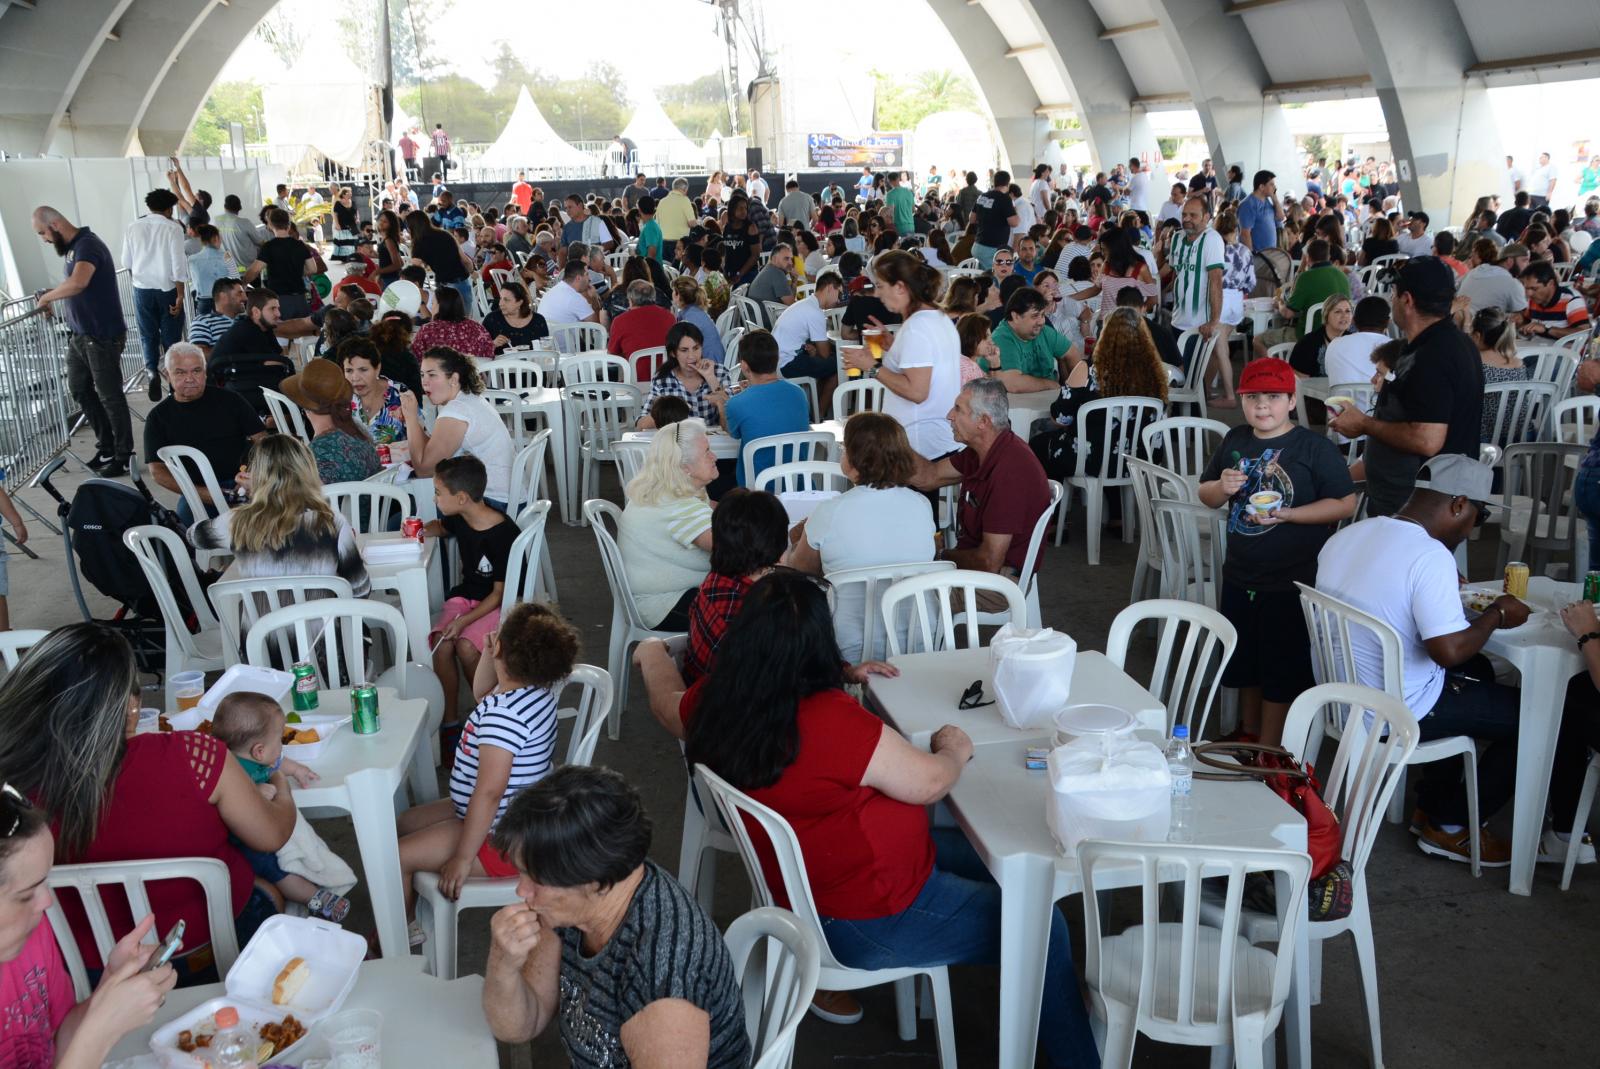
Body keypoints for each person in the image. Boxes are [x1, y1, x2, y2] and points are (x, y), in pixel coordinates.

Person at [635, 572, 1099, 1067]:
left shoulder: (716, 699)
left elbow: (665, 704)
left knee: (1015, 863)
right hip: (869, 915)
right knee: (1044, 925)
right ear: (819, 643)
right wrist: (954, 749)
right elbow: (930, 783)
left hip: (824, 887)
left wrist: (651, 654)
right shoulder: (828, 719)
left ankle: (1043, 1006)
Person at [1316, 455, 1588, 865]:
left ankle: (1432, 804)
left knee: (1477, 670)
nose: (1472, 531)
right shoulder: (1430, 556)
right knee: (1548, 718)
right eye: (1478, 518)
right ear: (1458, 504)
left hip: (1344, 694)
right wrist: (1497, 614)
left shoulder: (1353, 533)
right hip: (1399, 707)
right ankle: (1452, 825)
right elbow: (1448, 650)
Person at [0, 625, 295, 982]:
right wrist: (282, 782)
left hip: (78, 969)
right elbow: (272, 834)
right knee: (268, 890)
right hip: (205, 951)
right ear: (131, 704)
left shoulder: (12, 789)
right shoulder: (195, 756)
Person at [480, 763, 749, 1064]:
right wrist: (503, 964)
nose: (522, 891)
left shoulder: (663, 978)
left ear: (594, 883)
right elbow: (523, 1024)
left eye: (536, 879)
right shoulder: (572, 905)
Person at [1196, 358, 1356, 745]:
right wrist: (1223, 486)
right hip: (1240, 574)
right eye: (1253, 397)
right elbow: (1206, 494)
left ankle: (1269, 750)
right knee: (1246, 664)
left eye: (1272, 396)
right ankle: (1248, 734)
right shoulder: (1235, 441)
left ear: (1290, 400)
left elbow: (1345, 503)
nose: (1262, 406)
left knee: (1281, 670)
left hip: (1292, 581)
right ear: (1241, 400)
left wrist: (1292, 514)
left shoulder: (1312, 447)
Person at [401, 603, 576, 947]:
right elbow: (482, 691)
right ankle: (412, 897)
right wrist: (491, 655)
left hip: (500, 839)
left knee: (395, 856)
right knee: (406, 822)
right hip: (502, 816)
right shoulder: (530, 694)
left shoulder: (503, 717)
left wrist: (463, 858)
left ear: (504, 652)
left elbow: (489, 792)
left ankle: (401, 932)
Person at [0, 784, 181, 1066]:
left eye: (45, 882)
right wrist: (103, 1031)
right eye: (26, 894)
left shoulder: (32, 934)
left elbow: (60, 1037)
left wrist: (112, 984)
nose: (47, 901)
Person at [1327, 258, 1485, 517]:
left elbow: (1427, 439)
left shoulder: (1433, 355)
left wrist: (1364, 424)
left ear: (1407, 300)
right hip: (1417, 497)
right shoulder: (1448, 342)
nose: (1391, 301)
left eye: (1393, 294)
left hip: (1420, 505)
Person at [790, 413, 938, 661]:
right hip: (920, 637)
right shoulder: (921, 504)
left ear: (854, 458)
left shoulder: (830, 511)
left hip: (850, 644)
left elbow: (801, 570)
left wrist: (797, 539)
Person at [208, 693, 349, 922]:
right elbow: (235, 804)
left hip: (262, 830)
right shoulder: (236, 771)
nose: (282, 745)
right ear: (259, 751)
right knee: (278, 871)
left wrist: (297, 771)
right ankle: (316, 900)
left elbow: (279, 762)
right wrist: (256, 793)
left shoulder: (259, 755)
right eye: (279, 738)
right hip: (244, 843)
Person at [911, 379, 1050, 606]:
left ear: (983, 422)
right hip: (981, 571)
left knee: (907, 595)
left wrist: (941, 556)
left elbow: (989, 562)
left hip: (1001, 583)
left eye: (958, 409)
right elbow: (929, 476)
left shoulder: (1009, 471)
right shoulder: (981, 451)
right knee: (903, 577)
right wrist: (893, 445)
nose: (949, 416)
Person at [422, 455, 521, 749]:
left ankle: (484, 715)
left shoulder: (503, 533)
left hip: (495, 603)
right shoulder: (460, 517)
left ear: (461, 497)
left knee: (466, 645)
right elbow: (441, 527)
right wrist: (420, 529)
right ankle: (450, 723)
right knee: (441, 643)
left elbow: (499, 594)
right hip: (465, 596)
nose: (436, 498)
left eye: (439, 492)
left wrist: (463, 621)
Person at [191, 434, 370, 596]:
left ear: (257, 476)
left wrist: (248, 496)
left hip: (261, 631)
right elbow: (361, 590)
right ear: (308, 471)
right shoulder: (332, 522)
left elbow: (195, 537)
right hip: (322, 631)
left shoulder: (236, 521)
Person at [32, 206, 134, 475]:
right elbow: (74, 285)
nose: (43, 239)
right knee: (79, 388)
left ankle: (123, 454)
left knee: (110, 396)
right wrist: (51, 293)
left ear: (55, 224)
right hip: (81, 334)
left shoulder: (87, 245)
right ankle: (108, 445)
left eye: (42, 232)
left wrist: (47, 298)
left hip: (101, 335)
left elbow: (79, 283)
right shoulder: (74, 247)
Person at [1029, 307, 1168, 481]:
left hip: (1095, 460)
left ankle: (1054, 504)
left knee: (1039, 444)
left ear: (1104, 337)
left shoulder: (1087, 371)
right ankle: (1115, 502)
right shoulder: (1155, 375)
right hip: (1141, 461)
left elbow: (1060, 419)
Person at [143, 343, 267, 523]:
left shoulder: (231, 400)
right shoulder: (158, 417)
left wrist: (252, 476)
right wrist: (202, 493)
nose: (189, 378)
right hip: (196, 491)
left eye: (196, 370)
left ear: (205, 372)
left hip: (243, 482)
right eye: (180, 372)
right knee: (188, 536)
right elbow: (157, 472)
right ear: (167, 375)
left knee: (275, 523)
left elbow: (262, 441)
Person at [679, 488, 790, 684]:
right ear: (778, 548)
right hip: (734, 706)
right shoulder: (758, 611)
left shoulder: (715, 580)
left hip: (700, 694)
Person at [619, 419, 717, 630]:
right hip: (663, 605)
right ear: (685, 467)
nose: (714, 457)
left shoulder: (663, 487)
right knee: (756, 606)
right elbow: (736, 550)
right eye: (707, 452)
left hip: (648, 597)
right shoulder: (680, 507)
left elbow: (712, 507)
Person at [399, 347, 515, 509]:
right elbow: (432, 449)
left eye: (432, 375)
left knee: (398, 519)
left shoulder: (456, 410)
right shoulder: (466, 399)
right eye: (422, 375)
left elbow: (424, 470)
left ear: (453, 379)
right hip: (505, 495)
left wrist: (411, 418)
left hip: (493, 502)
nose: (424, 382)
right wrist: (415, 419)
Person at [718, 330, 811, 488]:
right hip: (798, 486)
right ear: (777, 359)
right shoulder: (799, 393)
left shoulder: (737, 403)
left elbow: (730, 430)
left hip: (756, 490)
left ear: (744, 366)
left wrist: (721, 405)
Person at [123, 188, 189, 398]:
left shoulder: (133, 226)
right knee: (171, 337)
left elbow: (126, 262)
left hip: (142, 289)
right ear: (169, 209)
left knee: (147, 334)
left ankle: (151, 370)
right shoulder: (173, 228)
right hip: (167, 289)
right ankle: (172, 379)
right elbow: (178, 265)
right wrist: (180, 295)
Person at [276, 359, 381, 484]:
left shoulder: (318, 451)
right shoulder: (359, 434)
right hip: (373, 502)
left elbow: (304, 498)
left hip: (332, 504)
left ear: (306, 408)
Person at [207, 287, 297, 418]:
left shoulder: (265, 327)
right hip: (229, 393)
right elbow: (275, 364)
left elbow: (278, 359)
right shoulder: (246, 330)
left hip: (246, 384)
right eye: (272, 309)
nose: (278, 314)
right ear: (256, 312)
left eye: (278, 308)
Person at [636, 322, 732, 430]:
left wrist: (711, 378)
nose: (691, 356)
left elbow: (732, 423)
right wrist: (667, 411)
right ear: (673, 353)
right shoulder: (662, 379)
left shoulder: (719, 372)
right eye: (684, 350)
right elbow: (640, 425)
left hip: (713, 442)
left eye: (696, 348)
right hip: (677, 441)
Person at [987, 286, 1071, 395]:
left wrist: (1073, 392)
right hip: (1014, 407)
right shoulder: (1002, 339)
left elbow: (1072, 354)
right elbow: (1014, 384)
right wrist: (1051, 385)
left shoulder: (1043, 331)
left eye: (1042, 315)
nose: (1041, 321)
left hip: (1042, 402)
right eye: (1035, 316)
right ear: (1016, 316)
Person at [1470, 306, 1532, 443]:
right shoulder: (1519, 363)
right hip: (1522, 437)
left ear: (1477, 336)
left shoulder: (1474, 362)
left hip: (1484, 440)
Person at [244, 208, 319, 319]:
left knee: (282, 332)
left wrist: (243, 282)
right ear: (288, 224)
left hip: (278, 300)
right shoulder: (300, 245)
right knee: (302, 331)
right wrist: (297, 271)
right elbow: (313, 269)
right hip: (300, 297)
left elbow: (255, 270)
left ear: (270, 225)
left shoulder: (268, 247)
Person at [340, 337, 408, 446]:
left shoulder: (400, 393)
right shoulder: (340, 400)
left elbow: (421, 441)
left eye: (363, 370)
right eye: (349, 371)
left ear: (377, 368)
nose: (355, 378)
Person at [406, 210, 473, 311]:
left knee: (445, 323)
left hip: (442, 286)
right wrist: (472, 272)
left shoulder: (418, 245)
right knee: (464, 323)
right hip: (461, 281)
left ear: (411, 228)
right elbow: (465, 260)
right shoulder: (446, 234)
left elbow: (416, 272)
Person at [1321, 296, 1391, 388]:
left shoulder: (1334, 344)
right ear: (1388, 322)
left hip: (1339, 402)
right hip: (1380, 402)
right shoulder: (1399, 349)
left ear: (1353, 321)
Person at [1520, 259, 1592, 341]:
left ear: (1550, 283)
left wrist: (1547, 329)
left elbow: (1583, 334)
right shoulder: (1534, 299)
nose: (1528, 293)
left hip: (1562, 352)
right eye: (1526, 288)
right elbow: (1526, 321)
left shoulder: (1571, 299)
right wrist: (1520, 320)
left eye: (1534, 288)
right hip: (1538, 347)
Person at [1287, 293, 1355, 379]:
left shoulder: (1353, 341)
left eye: (1348, 311)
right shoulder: (1308, 344)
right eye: (1338, 312)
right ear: (1326, 315)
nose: (1344, 316)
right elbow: (1300, 383)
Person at [413, 286, 492, 359]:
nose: (431, 307)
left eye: (433, 303)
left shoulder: (427, 330)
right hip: (474, 372)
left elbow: (416, 357)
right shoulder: (475, 326)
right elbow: (489, 352)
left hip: (441, 373)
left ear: (441, 306)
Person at [607, 279, 676, 359]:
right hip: (665, 370)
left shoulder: (620, 321)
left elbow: (612, 354)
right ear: (653, 297)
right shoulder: (670, 317)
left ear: (630, 299)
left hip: (634, 370)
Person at [1457, 239, 1529, 315]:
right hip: (1478, 324)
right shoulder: (1513, 284)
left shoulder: (1478, 269)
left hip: (1454, 319)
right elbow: (1522, 316)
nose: (1528, 264)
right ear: (1510, 261)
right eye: (1524, 260)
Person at [670, 275, 724, 366]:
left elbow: (687, 350)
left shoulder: (689, 319)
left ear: (677, 295)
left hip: (710, 366)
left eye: (673, 291)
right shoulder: (693, 310)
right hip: (714, 359)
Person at [482, 280, 548, 354]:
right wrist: (493, 344)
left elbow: (546, 350)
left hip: (532, 364)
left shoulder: (538, 321)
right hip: (501, 365)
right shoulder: (492, 320)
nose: (500, 303)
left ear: (520, 302)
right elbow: (479, 349)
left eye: (506, 300)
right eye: (500, 298)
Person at [972, 171, 1018, 269]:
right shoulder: (1005, 199)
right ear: (1007, 184)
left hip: (978, 245)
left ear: (994, 182)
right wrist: (1015, 211)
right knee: (996, 278)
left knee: (982, 278)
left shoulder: (982, 196)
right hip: (993, 248)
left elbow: (971, 219)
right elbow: (1014, 222)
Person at [540, 260, 602, 330]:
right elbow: (597, 327)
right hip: (567, 340)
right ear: (578, 278)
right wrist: (594, 298)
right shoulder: (575, 297)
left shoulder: (551, 292)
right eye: (587, 274)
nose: (589, 279)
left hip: (548, 339)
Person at [1237, 170, 1282, 250]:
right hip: (1258, 256)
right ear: (1261, 187)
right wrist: (1251, 257)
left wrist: (1275, 199)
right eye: (1271, 184)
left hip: (1270, 253)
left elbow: (1280, 217)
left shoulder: (1267, 200)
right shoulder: (1248, 204)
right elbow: (1245, 234)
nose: (1275, 188)